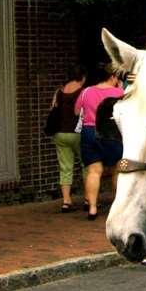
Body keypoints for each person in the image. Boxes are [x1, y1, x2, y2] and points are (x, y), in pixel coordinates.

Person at [74, 63, 124, 220]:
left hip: (89, 132)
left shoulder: (86, 91)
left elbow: (76, 111)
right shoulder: (119, 92)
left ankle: (93, 208)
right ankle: (118, 207)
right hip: (111, 133)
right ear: (112, 77)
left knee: (94, 171)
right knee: (118, 170)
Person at [49, 65, 86, 213]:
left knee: (65, 167)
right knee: (87, 166)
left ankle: (66, 201)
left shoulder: (59, 92)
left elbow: (52, 109)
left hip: (60, 133)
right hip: (78, 133)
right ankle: (89, 199)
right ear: (82, 77)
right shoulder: (83, 92)